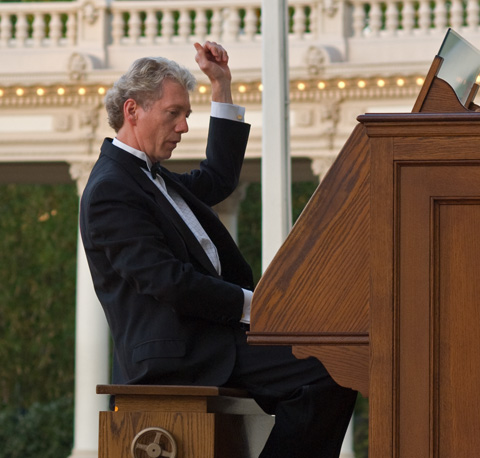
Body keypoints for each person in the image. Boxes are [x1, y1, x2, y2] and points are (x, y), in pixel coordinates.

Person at [79, 41, 357, 458]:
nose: (184, 127)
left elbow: (218, 177)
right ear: (132, 111)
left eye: (187, 115)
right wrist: (256, 307)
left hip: (212, 338)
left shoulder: (154, 178)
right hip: (179, 353)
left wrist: (221, 85)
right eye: (174, 114)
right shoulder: (111, 190)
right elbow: (169, 282)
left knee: (335, 364)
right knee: (329, 370)